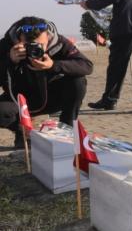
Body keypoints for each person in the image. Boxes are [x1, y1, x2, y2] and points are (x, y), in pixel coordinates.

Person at [0, 17, 93, 147]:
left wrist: (53, 65)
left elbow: (87, 65)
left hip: (51, 96)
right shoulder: (6, 45)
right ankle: (24, 131)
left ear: (48, 37)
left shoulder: (59, 43)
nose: (35, 50)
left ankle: (66, 128)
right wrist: (9, 60)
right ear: (18, 39)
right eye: (28, 46)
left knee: (78, 80)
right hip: (18, 100)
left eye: (40, 45)